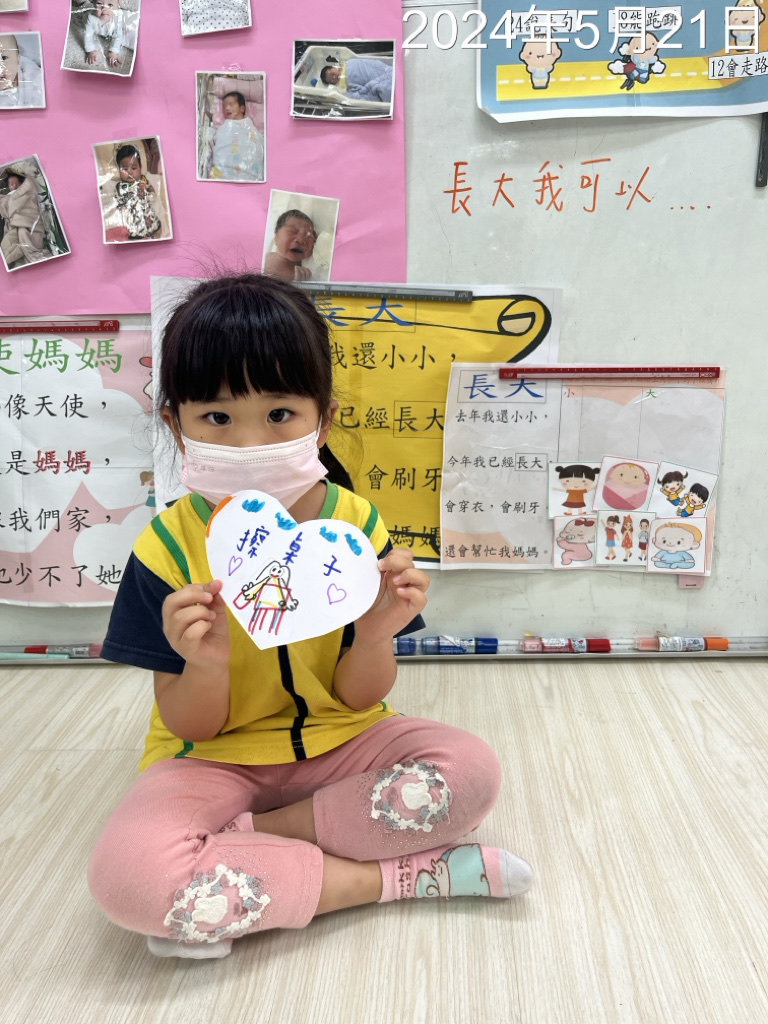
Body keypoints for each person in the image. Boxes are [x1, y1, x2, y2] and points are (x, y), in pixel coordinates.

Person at [88, 274, 532, 960]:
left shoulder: (355, 528)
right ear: (176, 424)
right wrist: (205, 664)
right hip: (212, 760)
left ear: (322, 420)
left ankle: (245, 849)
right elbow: (190, 726)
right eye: (217, 419)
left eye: (279, 414)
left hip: (342, 741)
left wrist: (376, 634)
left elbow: (360, 698)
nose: (248, 442)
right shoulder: (165, 547)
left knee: (472, 772)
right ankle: (392, 879)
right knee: (129, 880)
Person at [108, 144, 164, 241]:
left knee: (156, 228)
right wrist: (121, 207)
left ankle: (157, 237)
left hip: (147, 214)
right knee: (137, 235)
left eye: (134, 168)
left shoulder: (143, 180)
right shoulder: (120, 186)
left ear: (140, 168)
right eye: (125, 169)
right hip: (134, 217)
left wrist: (151, 194)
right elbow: (117, 200)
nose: (129, 172)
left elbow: (151, 189)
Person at [209, 90, 264, 182]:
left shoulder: (249, 127)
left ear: (242, 108)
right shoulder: (224, 127)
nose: (227, 108)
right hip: (224, 173)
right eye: (224, 106)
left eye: (231, 105)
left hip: (248, 174)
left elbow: (258, 142)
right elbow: (219, 138)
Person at [0, 164, 47, 268]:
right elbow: (4, 207)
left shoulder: (24, 191)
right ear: (8, 186)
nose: (15, 185)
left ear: (21, 183)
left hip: (28, 218)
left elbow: (30, 199)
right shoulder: (7, 196)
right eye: (11, 184)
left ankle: (31, 251)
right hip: (13, 221)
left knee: (24, 232)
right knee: (13, 236)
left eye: (17, 183)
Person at [263, 209, 317, 282]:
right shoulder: (267, 260)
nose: (301, 240)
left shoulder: (305, 270)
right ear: (276, 237)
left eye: (309, 236)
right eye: (292, 231)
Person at [83, 0, 132, 69]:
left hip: (118, 25)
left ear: (118, 5)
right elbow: (88, 34)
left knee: (128, 31)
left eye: (110, 5)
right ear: (93, 3)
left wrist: (113, 51)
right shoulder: (91, 17)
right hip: (98, 27)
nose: (104, 8)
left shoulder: (118, 17)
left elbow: (118, 36)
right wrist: (90, 49)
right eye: (99, 3)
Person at [320, 57, 393, 103]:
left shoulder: (350, 62)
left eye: (332, 74)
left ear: (334, 67)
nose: (334, 77)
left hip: (383, 70)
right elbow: (362, 94)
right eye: (332, 80)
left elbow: (366, 62)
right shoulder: (346, 86)